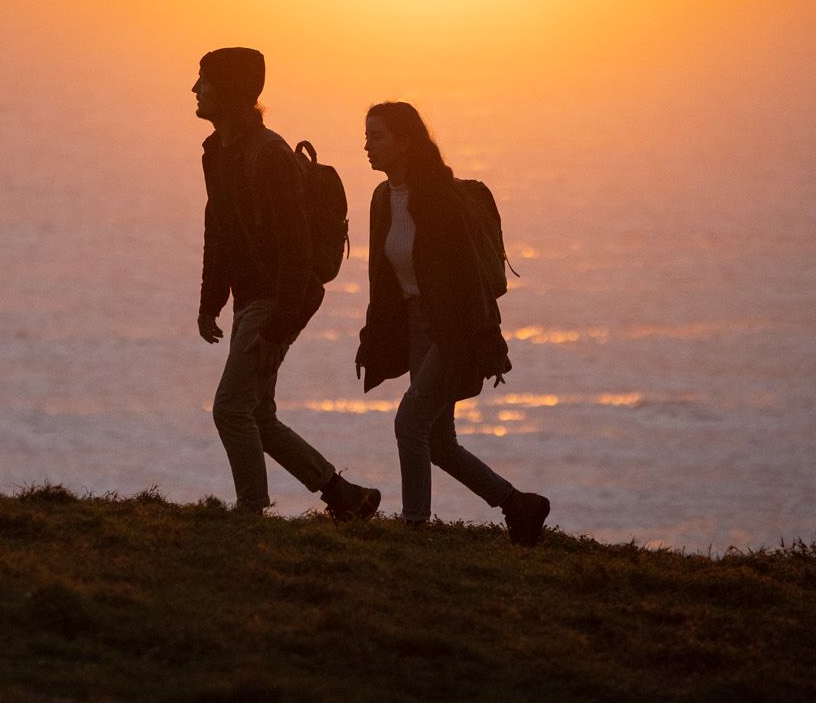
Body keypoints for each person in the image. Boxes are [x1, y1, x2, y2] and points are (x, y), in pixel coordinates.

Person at [193, 46, 380, 519]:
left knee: (231, 408)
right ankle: (345, 496)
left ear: (230, 91)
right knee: (257, 414)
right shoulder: (217, 153)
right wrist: (210, 301)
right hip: (252, 299)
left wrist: (280, 321)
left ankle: (251, 509)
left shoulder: (270, 156)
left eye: (204, 80)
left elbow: (295, 247)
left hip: (277, 299)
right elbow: (219, 229)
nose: (195, 89)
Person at [356, 100, 551, 544]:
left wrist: (486, 342)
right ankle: (518, 505)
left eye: (377, 136)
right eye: (366, 136)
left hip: (451, 328)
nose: (366, 146)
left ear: (405, 142)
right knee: (439, 441)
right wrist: (373, 336)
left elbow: (467, 281)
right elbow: (382, 281)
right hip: (415, 324)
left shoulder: (439, 200)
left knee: (410, 422)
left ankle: (414, 527)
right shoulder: (383, 198)